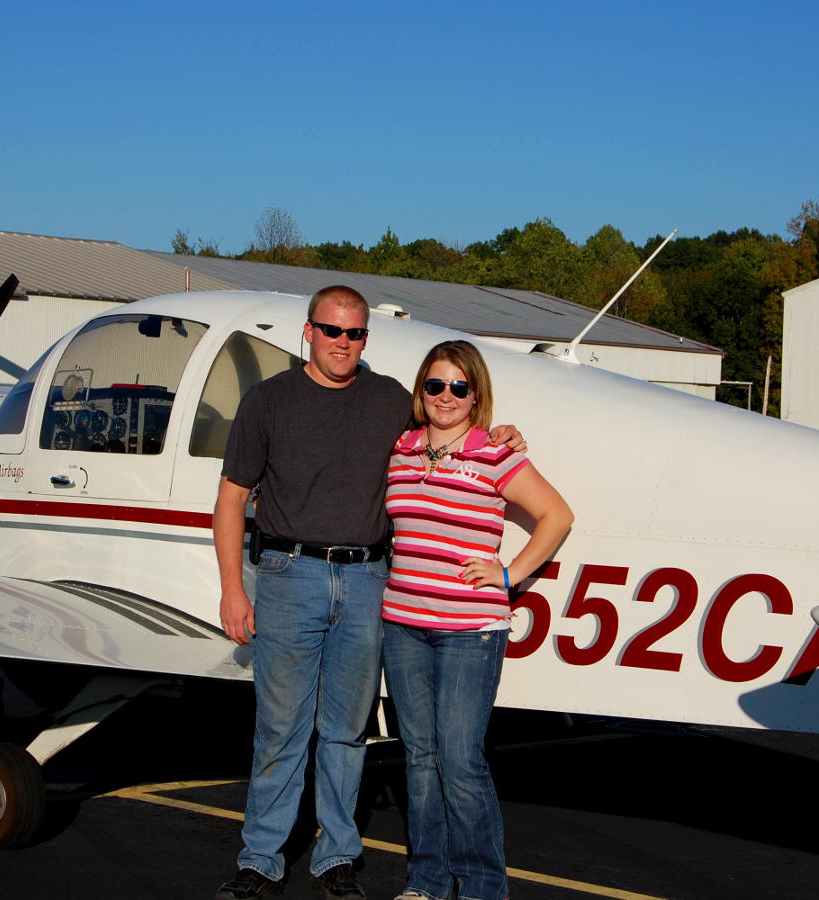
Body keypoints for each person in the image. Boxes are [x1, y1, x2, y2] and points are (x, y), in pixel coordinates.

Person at [213, 287, 524, 900]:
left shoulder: (389, 400)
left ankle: (336, 857)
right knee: (280, 728)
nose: (343, 343)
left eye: (355, 334)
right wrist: (231, 590)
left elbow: (449, 426)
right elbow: (229, 499)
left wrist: (502, 433)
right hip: (286, 573)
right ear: (308, 332)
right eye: (332, 331)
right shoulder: (266, 400)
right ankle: (262, 857)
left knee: (347, 730)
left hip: (366, 581)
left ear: (365, 340)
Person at [381, 340, 573, 900]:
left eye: (459, 387)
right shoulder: (400, 447)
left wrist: (510, 575)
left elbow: (556, 516)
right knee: (419, 760)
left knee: (461, 762)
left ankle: (484, 888)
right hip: (403, 624)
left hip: (470, 631)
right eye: (436, 385)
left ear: (475, 394)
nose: (446, 397)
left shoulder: (493, 452)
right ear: (422, 390)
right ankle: (428, 881)